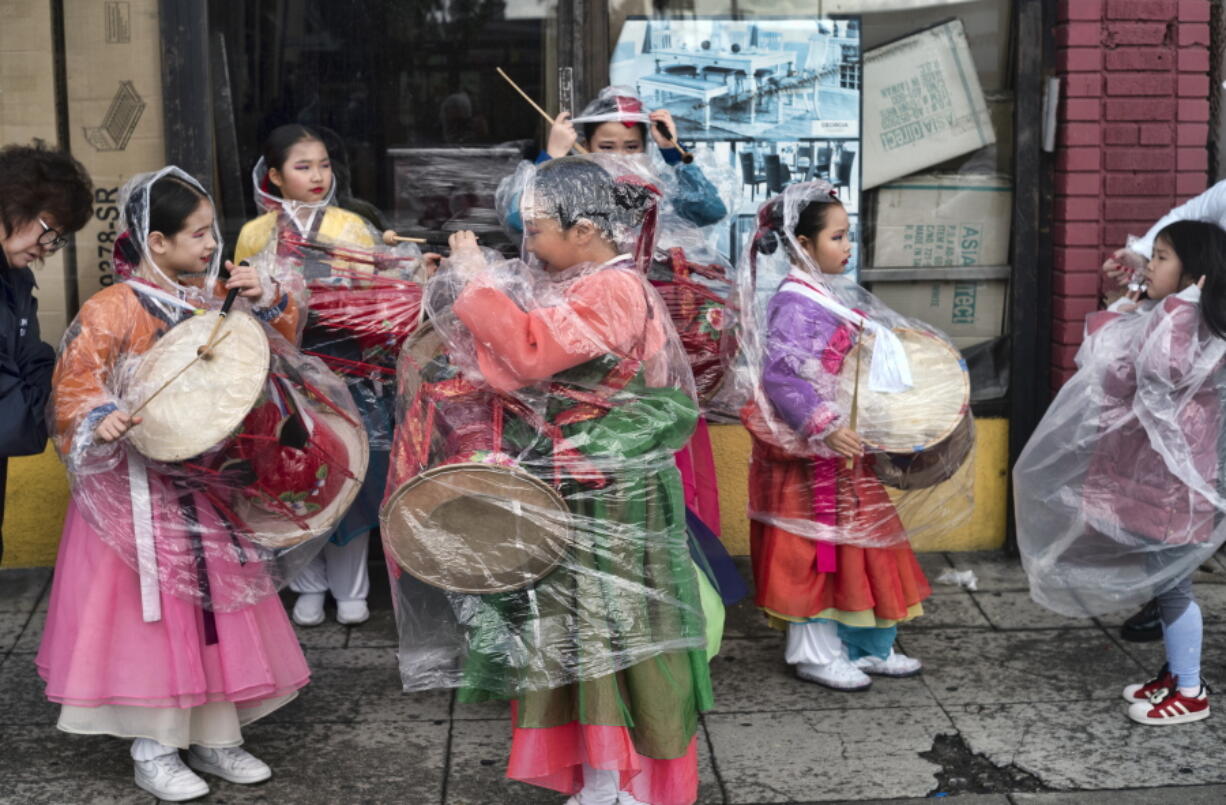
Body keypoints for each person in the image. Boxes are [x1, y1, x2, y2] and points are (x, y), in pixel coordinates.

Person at [390, 155, 714, 805]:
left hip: (604, 490)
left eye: (536, 230)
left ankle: (614, 781)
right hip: (588, 481)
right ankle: (603, 774)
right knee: (579, 632)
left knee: (602, 632)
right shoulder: (590, 278)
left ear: (587, 229)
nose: (528, 243)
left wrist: (478, 284)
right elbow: (527, 357)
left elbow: (530, 354)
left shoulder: (612, 289)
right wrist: (477, 284)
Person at [36, 168, 325, 800]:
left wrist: (269, 299)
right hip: (132, 494)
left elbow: (273, 355)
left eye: (211, 232)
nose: (209, 245)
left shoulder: (212, 297)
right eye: (196, 235)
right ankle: (155, 747)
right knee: (154, 623)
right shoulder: (111, 308)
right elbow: (73, 388)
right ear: (155, 241)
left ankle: (216, 736)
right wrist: (97, 417)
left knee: (210, 612)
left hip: (206, 484)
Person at [739, 182, 969, 691]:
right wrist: (824, 423)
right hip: (816, 459)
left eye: (849, 236)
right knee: (814, 556)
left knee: (862, 549)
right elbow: (782, 375)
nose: (848, 247)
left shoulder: (822, 295)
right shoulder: (796, 303)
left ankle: (864, 645)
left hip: (842, 454)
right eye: (838, 237)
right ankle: (815, 653)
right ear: (803, 244)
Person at [1017, 219, 1226, 726]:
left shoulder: (1201, 328)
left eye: (1161, 258)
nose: (1148, 266)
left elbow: (1164, 376)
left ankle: (1192, 689)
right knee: (1164, 583)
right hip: (1150, 480)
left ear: (1193, 273)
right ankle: (1177, 674)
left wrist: (1176, 308)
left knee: (1175, 587)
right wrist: (1124, 309)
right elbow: (1110, 379)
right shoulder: (1166, 316)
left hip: (1178, 486)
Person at [235, 123, 384, 627]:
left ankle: (350, 588)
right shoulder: (256, 234)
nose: (318, 176)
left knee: (349, 474)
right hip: (280, 368)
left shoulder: (350, 226)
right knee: (289, 474)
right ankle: (307, 582)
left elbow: (369, 302)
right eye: (303, 166)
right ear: (274, 176)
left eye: (323, 164)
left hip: (345, 365)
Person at [0, 142, 92, 564]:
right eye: (49, 230)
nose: (47, 247)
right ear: (14, 202)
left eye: (57, 240)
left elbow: (30, 354)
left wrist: (66, 396)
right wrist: (61, 413)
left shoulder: (14, 277)